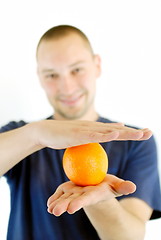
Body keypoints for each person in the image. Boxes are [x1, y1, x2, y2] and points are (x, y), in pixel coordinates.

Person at [0, 25, 161, 240]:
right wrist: (35, 134)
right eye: (51, 75)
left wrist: (101, 201)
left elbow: (130, 237)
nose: (66, 87)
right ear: (39, 77)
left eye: (76, 70)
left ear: (97, 65)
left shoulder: (133, 142)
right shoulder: (20, 135)